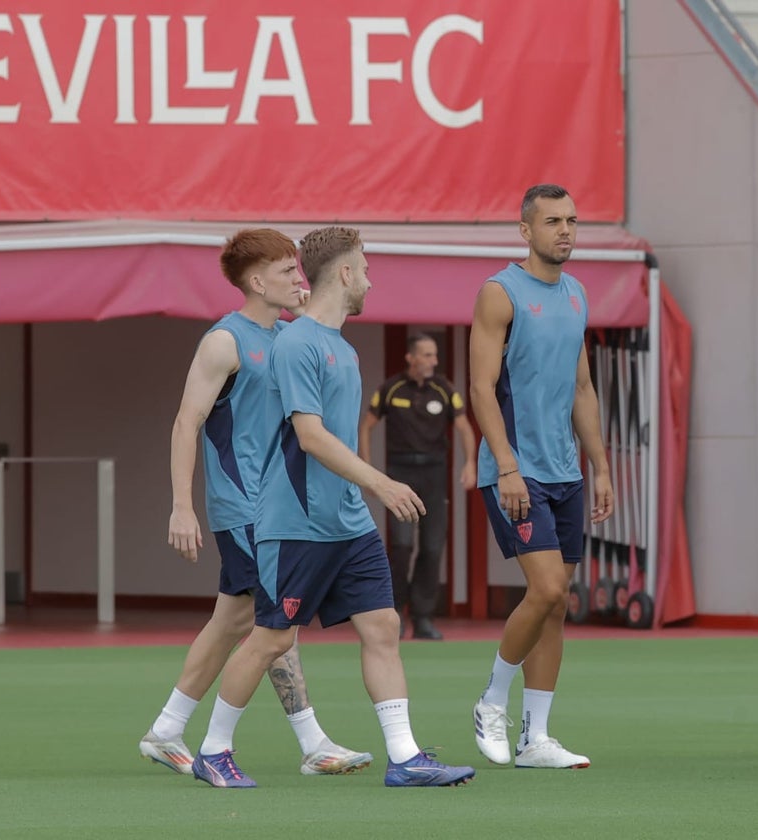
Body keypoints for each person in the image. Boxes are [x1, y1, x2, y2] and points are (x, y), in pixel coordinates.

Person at [189, 226, 475, 788]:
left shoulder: (341, 347)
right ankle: (213, 751)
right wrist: (383, 484)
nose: (370, 280)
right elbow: (310, 435)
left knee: (383, 626)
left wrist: (364, 496)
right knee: (271, 636)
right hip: (295, 524)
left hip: (347, 524)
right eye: (364, 268)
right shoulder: (297, 343)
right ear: (344, 274)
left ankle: (405, 757)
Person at [140, 228, 370, 778]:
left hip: (278, 508)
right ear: (256, 281)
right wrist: (181, 506)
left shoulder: (295, 336)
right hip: (244, 508)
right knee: (272, 625)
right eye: (288, 272)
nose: (299, 279)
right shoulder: (224, 342)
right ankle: (311, 742)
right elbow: (185, 422)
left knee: (234, 622)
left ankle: (167, 730)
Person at [468, 184, 613, 770]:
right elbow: (480, 388)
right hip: (515, 471)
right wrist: (506, 466)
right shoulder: (499, 294)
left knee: (557, 604)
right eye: (553, 221)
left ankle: (536, 739)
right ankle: (491, 700)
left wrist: (600, 466)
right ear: (525, 231)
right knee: (547, 588)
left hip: (565, 473)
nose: (566, 231)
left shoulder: (577, 294)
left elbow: (582, 388)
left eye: (572, 221)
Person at [359, 334, 477, 640]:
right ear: (411, 358)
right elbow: (366, 426)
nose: (433, 361)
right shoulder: (391, 388)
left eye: (435, 355)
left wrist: (470, 463)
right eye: (427, 355)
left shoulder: (445, 389)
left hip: (435, 475)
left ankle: (423, 617)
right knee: (401, 546)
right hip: (401, 473)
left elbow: (465, 427)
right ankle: (395, 612)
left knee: (433, 546)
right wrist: (367, 468)